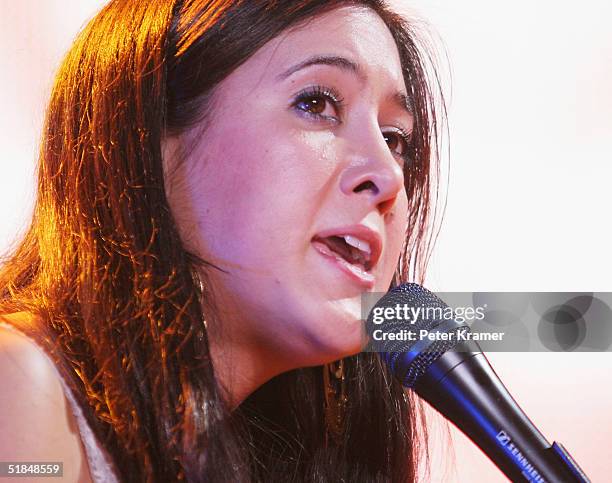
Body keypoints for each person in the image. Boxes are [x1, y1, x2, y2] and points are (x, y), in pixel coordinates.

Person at [0, 0, 444, 481]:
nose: (387, 175)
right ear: (149, 140)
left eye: (395, 138)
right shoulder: (18, 382)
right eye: (316, 103)